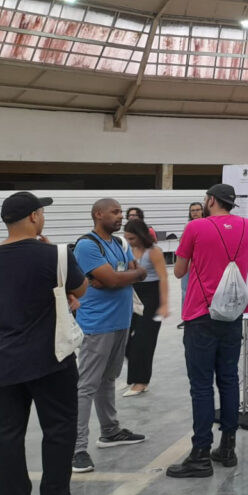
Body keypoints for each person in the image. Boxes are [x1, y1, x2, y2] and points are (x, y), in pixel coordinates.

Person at [0, 192, 97, 495]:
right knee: (59, 430)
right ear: (34, 217)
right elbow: (81, 289)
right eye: (41, 212)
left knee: (6, 435)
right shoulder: (54, 254)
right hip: (50, 358)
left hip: (0, 359)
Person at [166, 184, 248, 478]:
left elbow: (179, 271)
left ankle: (200, 454)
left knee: (201, 385)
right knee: (229, 380)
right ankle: (227, 448)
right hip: (232, 313)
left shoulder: (196, 227)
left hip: (200, 314)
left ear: (211, 200)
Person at [71, 198, 148, 475]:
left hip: (120, 321)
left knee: (108, 379)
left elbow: (138, 271)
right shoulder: (87, 245)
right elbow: (118, 279)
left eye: (120, 212)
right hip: (98, 324)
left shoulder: (118, 244)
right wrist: (124, 276)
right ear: (97, 214)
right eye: (114, 212)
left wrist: (127, 274)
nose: (120, 217)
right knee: (87, 385)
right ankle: (77, 448)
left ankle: (110, 431)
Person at [122, 218, 169, 397]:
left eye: (132, 238)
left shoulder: (153, 251)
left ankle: (141, 381)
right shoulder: (127, 250)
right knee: (124, 338)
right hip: (133, 295)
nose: (129, 241)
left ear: (141, 236)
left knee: (144, 341)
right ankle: (136, 375)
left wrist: (164, 304)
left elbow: (164, 277)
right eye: (127, 238)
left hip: (152, 296)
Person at [178, 202, 206, 330]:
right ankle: (186, 318)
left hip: (202, 264)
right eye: (192, 210)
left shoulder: (208, 224)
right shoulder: (188, 226)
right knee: (185, 291)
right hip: (189, 264)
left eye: (197, 210)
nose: (195, 212)